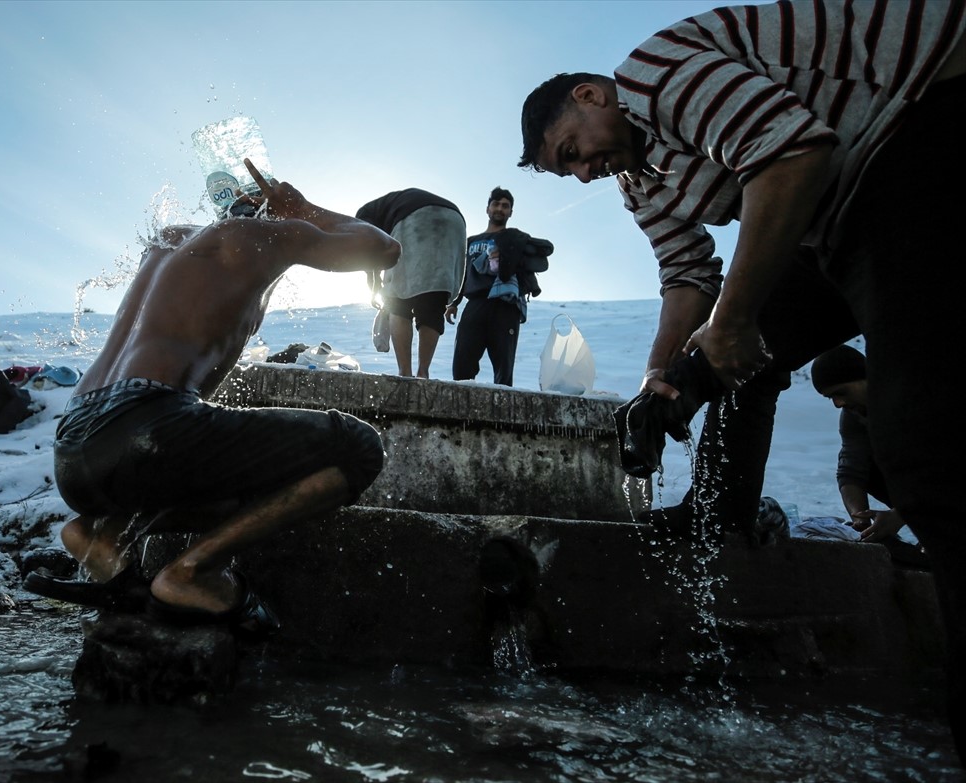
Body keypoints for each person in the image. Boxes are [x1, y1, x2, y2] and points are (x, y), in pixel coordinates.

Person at [518, 0, 965, 759]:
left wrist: (733, 321)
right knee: (725, 364)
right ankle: (717, 512)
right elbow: (689, 279)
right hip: (831, 209)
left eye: (574, 151)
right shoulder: (641, 183)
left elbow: (791, 151)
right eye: (573, 170)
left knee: (923, 440)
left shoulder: (651, 72)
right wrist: (664, 382)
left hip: (912, 121)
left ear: (592, 97)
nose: (587, 173)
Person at [24, 161, 400, 637]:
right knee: (358, 448)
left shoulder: (168, 242)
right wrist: (304, 210)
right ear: (268, 209)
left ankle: (100, 531)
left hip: (74, 452)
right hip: (145, 428)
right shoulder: (262, 235)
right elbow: (384, 249)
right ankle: (191, 572)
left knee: (224, 467)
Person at [810, 345, 928, 570]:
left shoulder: (912, 397)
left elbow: (945, 469)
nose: (838, 404)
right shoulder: (853, 415)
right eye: (830, 398)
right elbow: (850, 468)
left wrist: (902, 514)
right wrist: (858, 518)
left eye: (841, 392)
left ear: (866, 378)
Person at [356, 189, 466, 378]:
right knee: (433, 297)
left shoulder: (360, 219)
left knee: (398, 300)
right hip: (454, 221)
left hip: (415, 218)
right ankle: (423, 371)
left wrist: (374, 285)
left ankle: (404, 373)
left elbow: (369, 253)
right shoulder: (383, 206)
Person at [445, 187, 529, 387]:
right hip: (476, 303)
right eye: (496, 204)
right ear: (487, 209)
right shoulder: (471, 242)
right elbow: (461, 274)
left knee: (504, 367)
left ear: (511, 212)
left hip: (506, 306)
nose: (500, 209)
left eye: (505, 206)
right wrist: (454, 302)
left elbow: (529, 269)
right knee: (462, 364)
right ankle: (461, 414)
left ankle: (502, 415)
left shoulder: (518, 238)